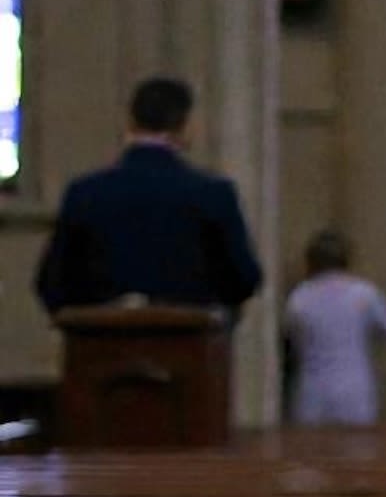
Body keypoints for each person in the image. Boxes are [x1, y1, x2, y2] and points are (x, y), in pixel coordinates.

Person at [36, 75, 264, 317]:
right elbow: (244, 279)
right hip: (189, 345)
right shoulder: (212, 194)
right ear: (185, 125)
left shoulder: (85, 193)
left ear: (130, 122)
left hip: (103, 346)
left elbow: (52, 283)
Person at [283, 230, 386, 427]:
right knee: (357, 451)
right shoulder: (363, 293)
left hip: (312, 390)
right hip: (354, 389)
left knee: (309, 451)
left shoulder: (300, 297)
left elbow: (291, 337)